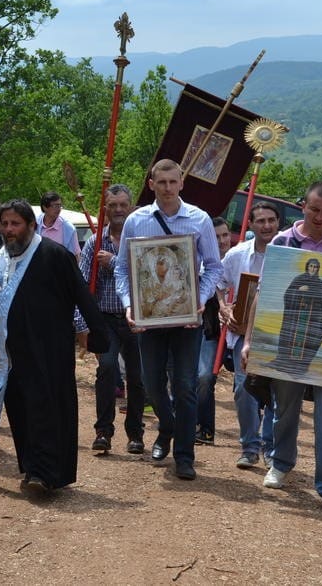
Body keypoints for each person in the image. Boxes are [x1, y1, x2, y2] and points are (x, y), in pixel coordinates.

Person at [0, 199, 108, 493]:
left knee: (47, 410)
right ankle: (32, 468)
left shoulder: (54, 255)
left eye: (15, 223)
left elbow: (82, 295)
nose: (9, 229)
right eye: (5, 224)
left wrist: (97, 335)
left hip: (49, 351)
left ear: (31, 226)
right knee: (20, 411)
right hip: (10, 354)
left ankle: (47, 474)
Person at [254, 180, 322, 515]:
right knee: (286, 407)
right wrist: (249, 342)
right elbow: (269, 292)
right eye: (314, 209)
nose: (319, 217)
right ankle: (281, 462)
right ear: (303, 205)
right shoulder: (283, 242)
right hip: (292, 332)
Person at [115, 159, 223, 482]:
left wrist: (200, 300)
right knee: (151, 384)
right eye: (161, 182)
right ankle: (167, 427)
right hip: (150, 319)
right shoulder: (136, 221)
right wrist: (129, 305)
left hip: (188, 320)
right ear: (151, 184)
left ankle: (184, 456)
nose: (167, 188)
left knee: (185, 386)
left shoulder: (199, 219)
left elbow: (213, 267)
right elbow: (122, 269)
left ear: (181, 183)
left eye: (172, 182)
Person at [215, 201, 281, 468]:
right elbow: (217, 281)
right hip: (242, 333)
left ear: (278, 223)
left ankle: (271, 448)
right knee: (244, 390)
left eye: (271, 220)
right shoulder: (236, 254)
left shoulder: (289, 254)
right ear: (251, 225)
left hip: (278, 335)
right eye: (261, 221)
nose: (267, 225)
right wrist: (223, 307)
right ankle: (249, 447)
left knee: (276, 393)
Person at [81, 185, 146, 455]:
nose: (118, 210)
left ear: (130, 207)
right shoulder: (94, 243)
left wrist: (114, 261)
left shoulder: (141, 239)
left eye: (123, 205)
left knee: (137, 377)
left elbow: (147, 275)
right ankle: (103, 432)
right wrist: (82, 323)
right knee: (106, 369)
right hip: (105, 319)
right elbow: (82, 283)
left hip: (137, 318)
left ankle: (135, 433)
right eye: (113, 205)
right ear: (105, 209)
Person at [195, 215, 236, 446]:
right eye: (216, 236)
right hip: (210, 331)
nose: (222, 241)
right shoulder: (203, 266)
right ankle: (205, 428)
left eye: (225, 235)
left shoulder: (239, 259)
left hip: (237, 332)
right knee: (204, 377)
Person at [36, 191, 80, 257]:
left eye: (60, 205)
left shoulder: (68, 228)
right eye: (55, 206)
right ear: (45, 207)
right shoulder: (34, 223)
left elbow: (75, 256)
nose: (58, 209)